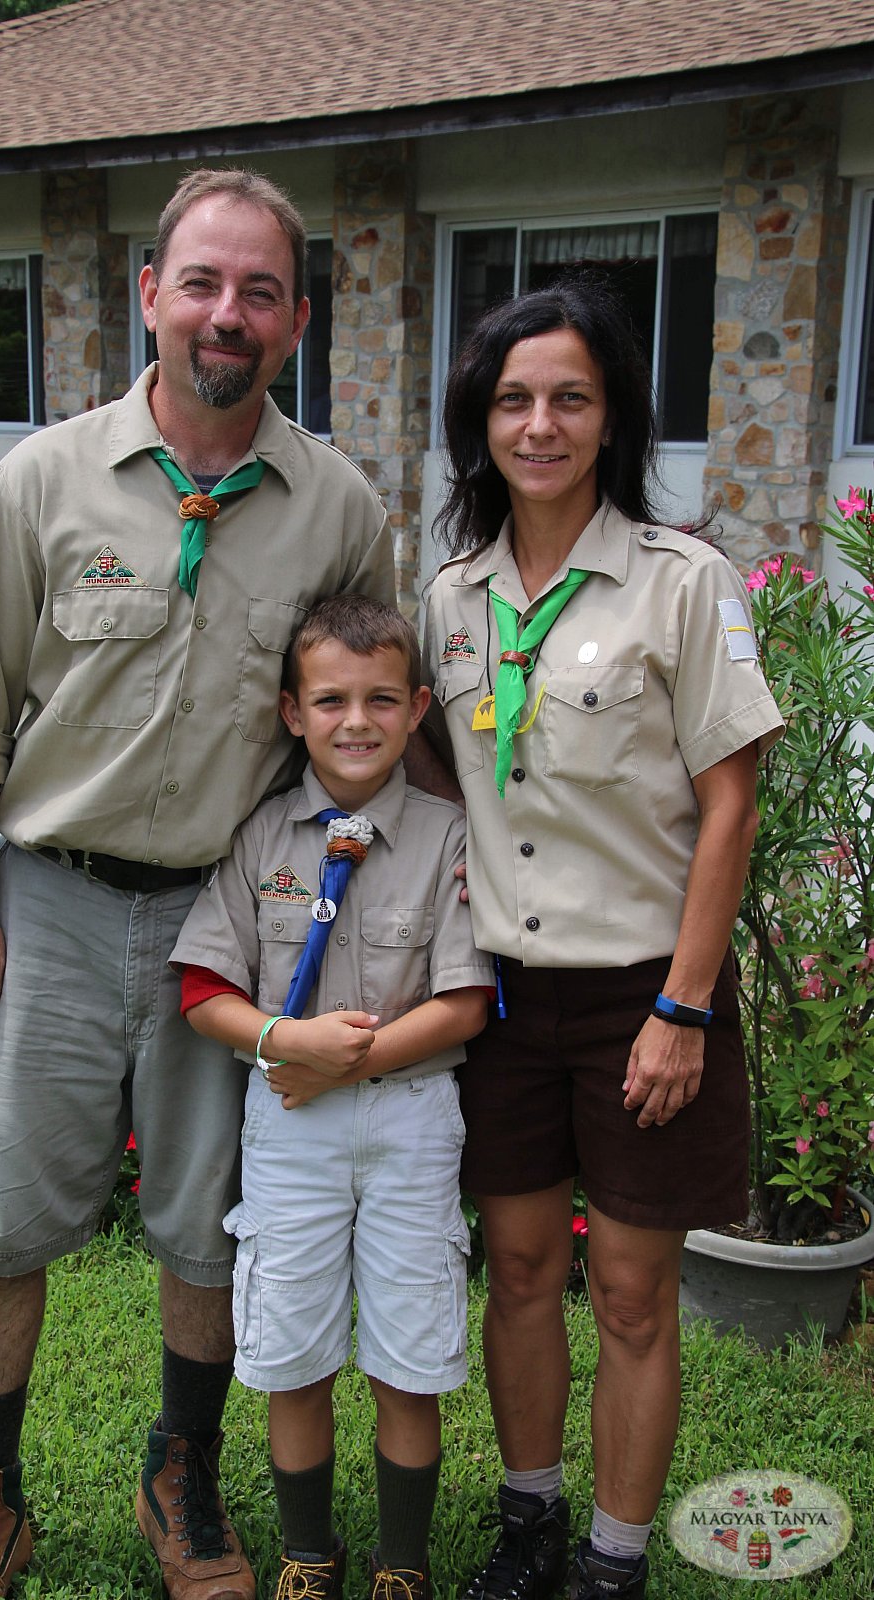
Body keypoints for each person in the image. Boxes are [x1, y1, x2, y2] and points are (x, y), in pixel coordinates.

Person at [0, 168, 396, 1600]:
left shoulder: (338, 510)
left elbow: (355, 732)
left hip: (225, 919)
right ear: (148, 295)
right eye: (201, 281)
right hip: (50, 901)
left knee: (209, 1223)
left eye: (259, 290)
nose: (226, 312)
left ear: (297, 318)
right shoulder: (40, 482)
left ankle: (179, 1473)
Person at [422, 279, 784, 1600]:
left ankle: (611, 1560)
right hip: (503, 1001)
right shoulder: (448, 598)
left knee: (629, 1292)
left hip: (644, 992)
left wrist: (683, 1009)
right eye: (513, 399)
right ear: (479, 421)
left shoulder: (681, 583)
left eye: (569, 398)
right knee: (519, 1271)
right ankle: (527, 1524)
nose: (540, 425)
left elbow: (728, 802)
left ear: (612, 417)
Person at [170, 594, 493, 1600]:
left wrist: (343, 1059)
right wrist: (285, 1040)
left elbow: (465, 1002)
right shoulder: (261, 837)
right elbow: (202, 990)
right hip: (289, 1126)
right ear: (291, 712)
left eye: (381, 699)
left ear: (417, 709)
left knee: (407, 1353)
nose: (356, 720)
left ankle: (402, 1565)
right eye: (330, 700)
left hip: (410, 1121)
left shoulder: (448, 838)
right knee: (292, 1349)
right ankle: (308, 1557)